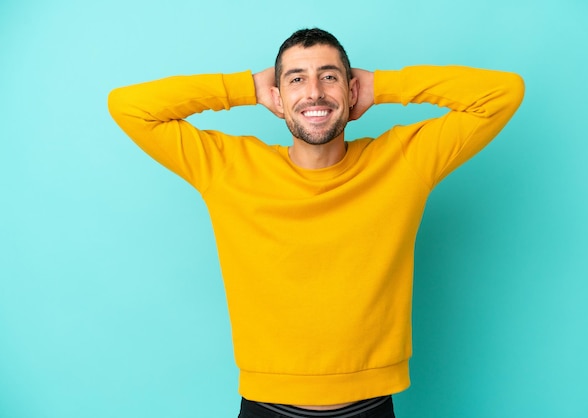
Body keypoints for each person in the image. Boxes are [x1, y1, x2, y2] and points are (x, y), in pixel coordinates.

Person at [108, 28, 524, 418]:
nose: (314, 92)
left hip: (371, 405)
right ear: (277, 96)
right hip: (265, 405)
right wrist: (247, 88)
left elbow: (503, 94)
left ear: (351, 89)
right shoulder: (229, 168)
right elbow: (129, 107)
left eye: (329, 77)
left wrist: (382, 87)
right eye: (295, 80)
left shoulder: (403, 162)